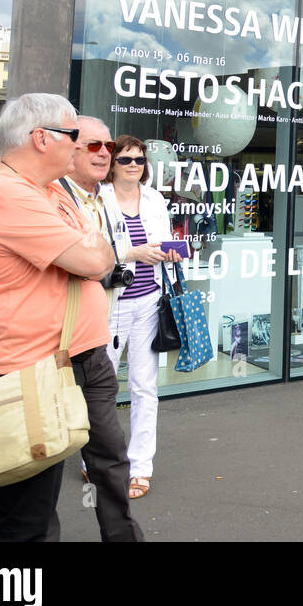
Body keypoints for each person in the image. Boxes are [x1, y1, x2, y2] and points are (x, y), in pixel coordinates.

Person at [0, 93, 143, 542]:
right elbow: (97, 261)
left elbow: (95, 251)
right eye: (74, 135)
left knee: (109, 464)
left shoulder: (47, 191)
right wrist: (91, 245)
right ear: (41, 138)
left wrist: (90, 245)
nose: (81, 146)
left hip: (79, 357)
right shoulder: (7, 193)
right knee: (27, 515)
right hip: (28, 370)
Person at [98, 135, 179, 500]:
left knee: (146, 387)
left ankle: (140, 466)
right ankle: (96, 460)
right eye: (126, 159)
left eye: (140, 160)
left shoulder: (154, 199)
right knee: (101, 388)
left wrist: (170, 253)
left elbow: (161, 243)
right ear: (112, 164)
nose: (134, 165)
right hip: (109, 303)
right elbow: (92, 251)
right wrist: (134, 253)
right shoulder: (98, 200)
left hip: (149, 301)